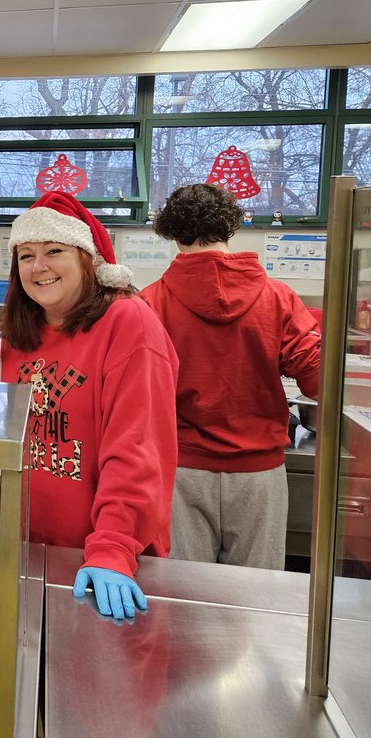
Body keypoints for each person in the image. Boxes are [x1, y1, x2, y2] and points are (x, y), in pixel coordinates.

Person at [0, 191, 178, 621]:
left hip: (104, 563)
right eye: (26, 255)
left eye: (54, 251)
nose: (38, 267)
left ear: (88, 259)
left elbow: (137, 450)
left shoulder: (128, 323)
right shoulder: (21, 334)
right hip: (28, 554)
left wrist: (112, 548)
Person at [141, 183, 321, 570]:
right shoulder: (278, 297)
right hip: (259, 474)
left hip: (179, 470)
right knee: (254, 603)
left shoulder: (150, 303)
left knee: (183, 598)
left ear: (172, 234)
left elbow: (133, 397)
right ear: (230, 228)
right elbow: (318, 379)